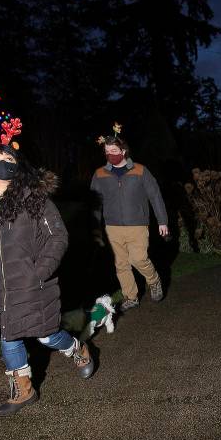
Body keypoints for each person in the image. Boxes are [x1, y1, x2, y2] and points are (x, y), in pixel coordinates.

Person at [0, 114, 94, 417]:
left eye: (8, 158)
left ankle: (76, 348)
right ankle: (23, 390)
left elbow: (58, 237)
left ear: (17, 164)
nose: (2, 162)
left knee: (45, 335)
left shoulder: (34, 199)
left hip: (32, 284)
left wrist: (40, 271)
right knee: (7, 334)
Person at [90, 123, 169, 310]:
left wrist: (162, 221)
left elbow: (155, 196)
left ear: (123, 151)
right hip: (112, 227)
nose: (110, 154)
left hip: (137, 225)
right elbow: (94, 203)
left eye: (114, 150)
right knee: (121, 264)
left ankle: (154, 280)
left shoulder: (140, 170)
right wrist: (94, 227)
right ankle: (131, 296)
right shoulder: (99, 174)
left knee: (139, 259)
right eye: (107, 151)